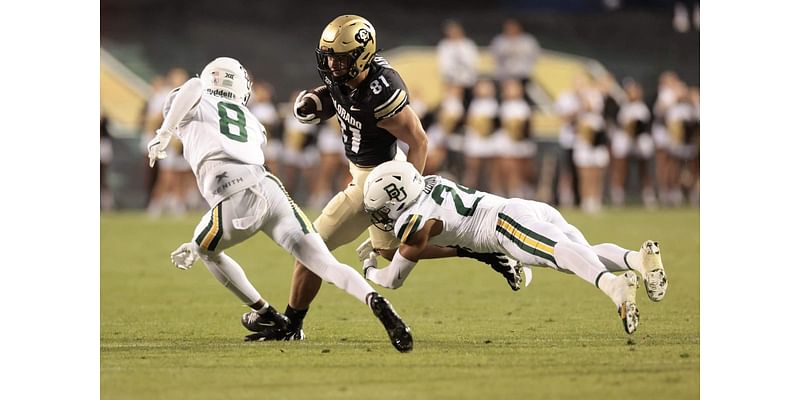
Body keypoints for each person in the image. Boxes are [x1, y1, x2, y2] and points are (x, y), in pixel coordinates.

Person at [260, 15, 516, 341]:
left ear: (361, 57)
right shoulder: (346, 75)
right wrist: (315, 101)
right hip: (364, 172)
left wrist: (413, 193)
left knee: (312, 247)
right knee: (388, 252)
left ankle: (290, 326)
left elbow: (419, 139)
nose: (333, 64)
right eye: (330, 57)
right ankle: (479, 251)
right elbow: (337, 95)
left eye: (341, 58)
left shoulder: (382, 90)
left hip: (379, 178)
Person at [145, 56, 413, 352]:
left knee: (207, 251)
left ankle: (268, 315)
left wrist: (164, 133)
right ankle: (376, 301)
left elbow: (193, 86)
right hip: (270, 188)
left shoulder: (194, 98)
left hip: (235, 197)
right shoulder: (251, 120)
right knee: (326, 264)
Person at [361, 160, 669, 334]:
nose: (383, 216)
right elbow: (437, 242)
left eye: (384, 208)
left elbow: (393, 279)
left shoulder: (413, 223)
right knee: (581, 251)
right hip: (520, 208)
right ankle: (637, 260)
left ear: (398, 199)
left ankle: (614, 287)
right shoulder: (428, 182)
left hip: (503, 226)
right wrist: (464, 250)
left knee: (560, 254)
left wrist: (369, 269)